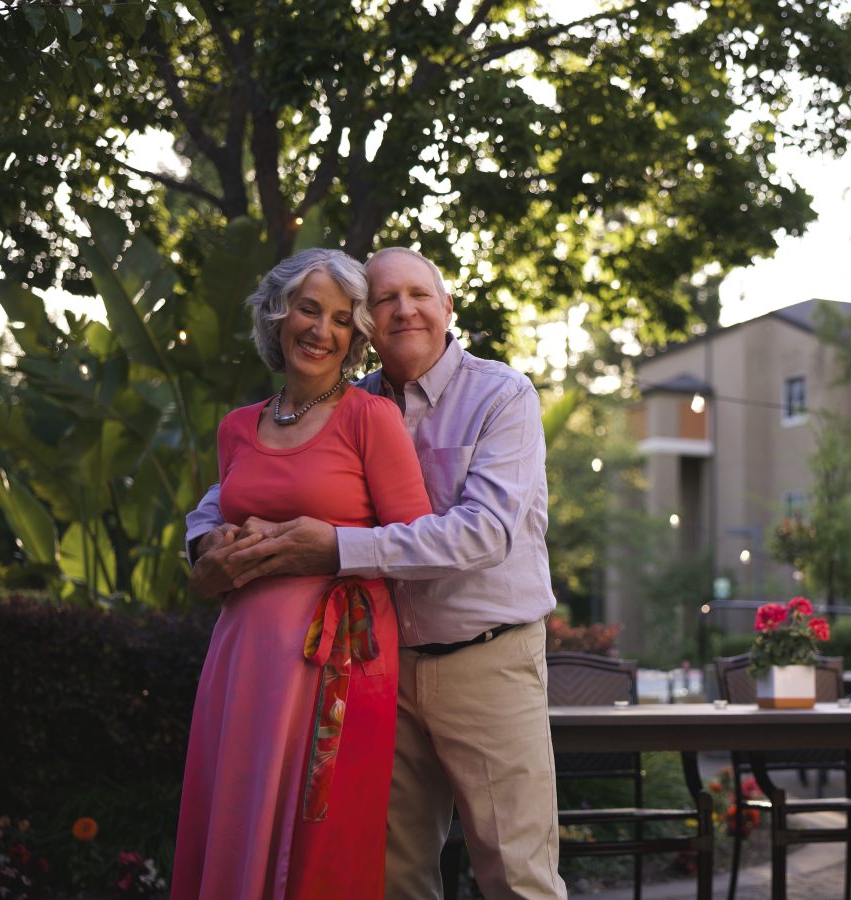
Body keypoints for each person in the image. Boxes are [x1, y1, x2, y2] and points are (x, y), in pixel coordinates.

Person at [186, 247, 566, 900]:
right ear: (369, 324)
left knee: (516, 875)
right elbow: (228, 495)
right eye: (385, 299)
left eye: (419, 293)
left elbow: (485, 532)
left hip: (486, 659)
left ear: (447, 307)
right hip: (377, 671)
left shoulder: (501, 395)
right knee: (396, 877)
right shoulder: (344, 401)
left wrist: (336, 548)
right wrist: (202, 546)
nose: (403, 309)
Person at [172, 248, 433, 900]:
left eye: (342, 318)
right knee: (236, 818)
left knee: (320, 839)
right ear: (277, 313)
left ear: (356, 337)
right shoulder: (236, 429)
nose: (321, 330)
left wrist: (331, 547)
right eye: (308, 309)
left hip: (340, 658)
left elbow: (418, 543)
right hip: (241, 661)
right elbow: (209, 525)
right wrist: (215, 554)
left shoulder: (371, 419)